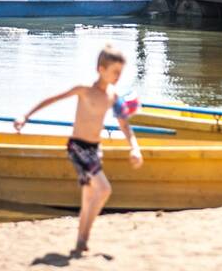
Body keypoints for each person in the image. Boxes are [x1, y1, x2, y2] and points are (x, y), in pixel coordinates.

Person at [14, 44, 142, 256]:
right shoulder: (84, 89)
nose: (119, 76)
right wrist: (25, 116)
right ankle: (82, 239)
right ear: (101, 69)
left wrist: (135, 148)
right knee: (104, 189)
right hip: (77, 148)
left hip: (94, 149)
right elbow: (53, 99)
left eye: (121, 72)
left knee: (89, 197)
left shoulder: (113, 96)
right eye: (115, 72)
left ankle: (81, 241)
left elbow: (125, 125)